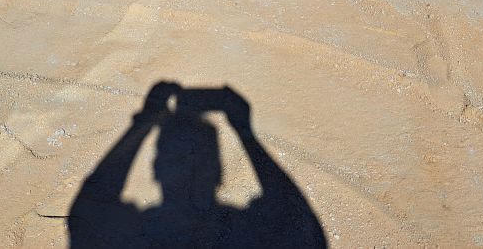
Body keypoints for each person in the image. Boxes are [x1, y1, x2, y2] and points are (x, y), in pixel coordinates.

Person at [68, 82, 326, 248]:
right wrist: (245, 132)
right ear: (219, 174)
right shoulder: (242, 230)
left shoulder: (134, 234)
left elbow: (88, 208)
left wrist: (145, 120)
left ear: (155, 170)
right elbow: (306, 229)